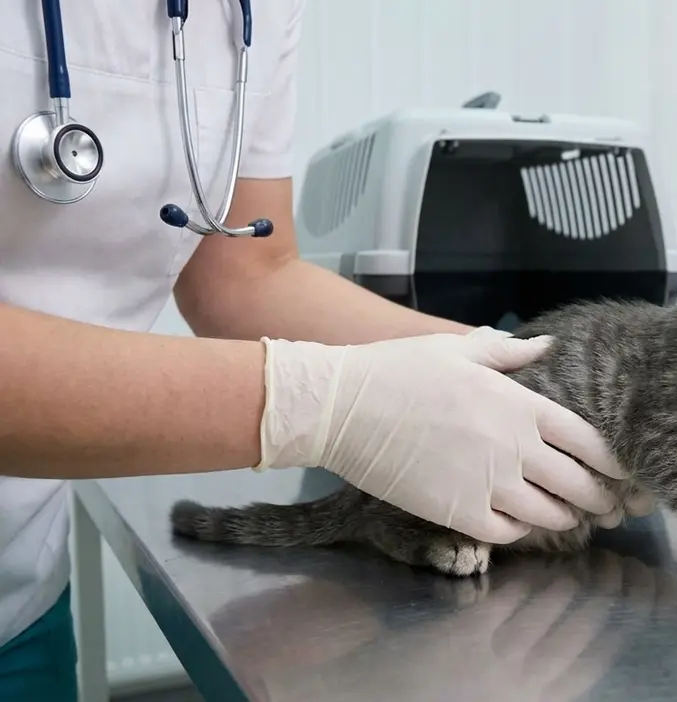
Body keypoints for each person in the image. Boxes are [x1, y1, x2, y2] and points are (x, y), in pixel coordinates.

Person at [0, 2, 629, 699]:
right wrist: (322, 405)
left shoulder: (258, 12)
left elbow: (245, 275)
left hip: (20, 594)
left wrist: (516, 372)